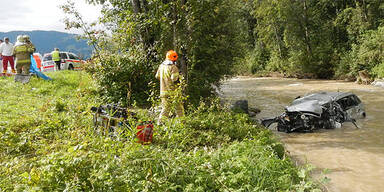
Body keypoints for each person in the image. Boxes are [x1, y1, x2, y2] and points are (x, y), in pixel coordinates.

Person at [155, 50, 184, 124]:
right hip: (173, 92)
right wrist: (179, 75)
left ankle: (160, 123)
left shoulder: (161, 66)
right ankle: (182, 123)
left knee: (165, 108)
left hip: (163, 91)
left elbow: (157, 76)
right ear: (174, 59)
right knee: (179, 108)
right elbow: (174, 79)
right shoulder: (173, 67)